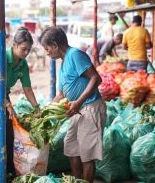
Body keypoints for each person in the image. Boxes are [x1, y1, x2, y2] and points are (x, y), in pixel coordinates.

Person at [40, 27, 106, 183]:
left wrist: (78, 102)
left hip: (90, 107)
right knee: (71, 148)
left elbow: (96, 79)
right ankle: (77, 181)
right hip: (76, 110)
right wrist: (44, 111)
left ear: (55, 45)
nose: (47, 52)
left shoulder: (75, 55)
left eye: (47, 48)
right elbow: (61, 94)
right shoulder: (63, 64)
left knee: (87, 154)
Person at [0, 27, 40, 174]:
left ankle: (9, 170)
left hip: (2, 92)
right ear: (14, 45)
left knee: (9, 131)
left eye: (28, 50)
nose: (26, 53)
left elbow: (27, 88)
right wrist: (7, 104)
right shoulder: (2, 58)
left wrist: (37, 108)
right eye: (23, 49)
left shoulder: (23, 64)